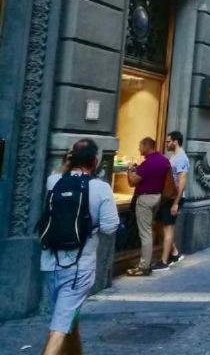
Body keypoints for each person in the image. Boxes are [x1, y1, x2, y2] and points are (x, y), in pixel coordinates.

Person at [38, 138, 119, 355]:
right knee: (59, 327)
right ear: (94, 162)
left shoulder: (54, 181)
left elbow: (58, 172)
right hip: (78, 267)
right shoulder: (101, 188)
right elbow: (111, 227)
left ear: (70, 159)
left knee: (65, 318)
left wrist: (66, 163)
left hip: (50, 262)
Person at [126, 137, 172, 276]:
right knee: (149, 231)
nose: (139, 149)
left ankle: (144, 266)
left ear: (147, 146)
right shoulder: (164, 160)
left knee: (145, 233)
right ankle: (145, 261)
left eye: (140, 146)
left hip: (145, 198)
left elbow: (133, 182)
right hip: (158, 197)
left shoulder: (148, 163)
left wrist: (129, 170)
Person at [156, 130, 189, 270]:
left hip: (174, 198)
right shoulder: (174, 156)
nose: (167, 144)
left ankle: (164, 262)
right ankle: (174, 253)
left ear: (175, 142)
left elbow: (182, 181)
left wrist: (176, 203)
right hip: (169, 196)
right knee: (158, 224)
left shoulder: (181, 158)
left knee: (168, 228)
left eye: (168, 141)